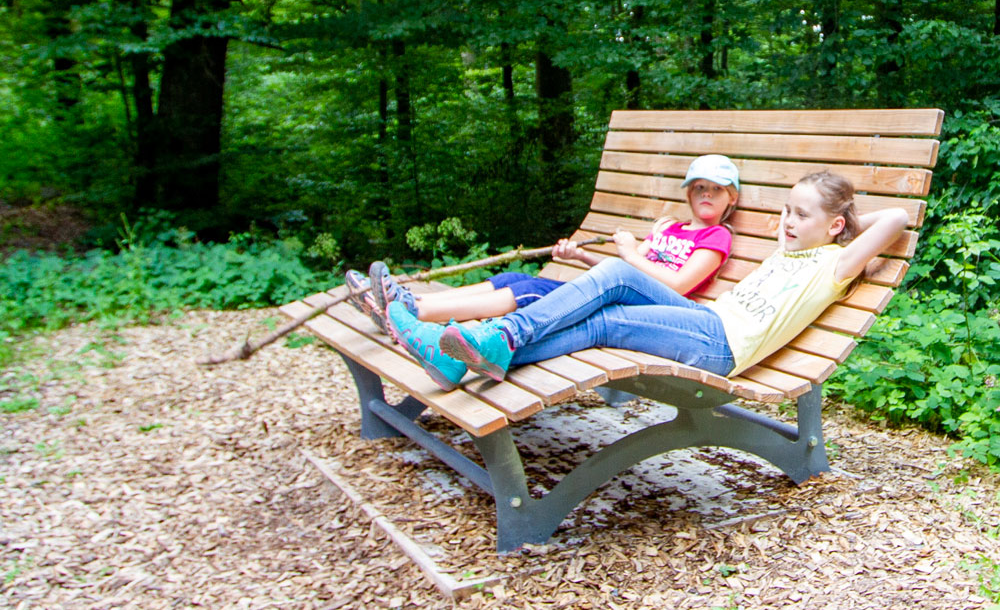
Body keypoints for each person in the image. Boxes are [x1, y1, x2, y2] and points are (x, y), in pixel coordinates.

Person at [385, 170, 909, 391]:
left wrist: (848, 232)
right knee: (615, 271)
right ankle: (491, 344)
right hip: (705, 319)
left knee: (604, 323)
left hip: (721, 344)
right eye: (785, 211)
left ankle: (486, 344)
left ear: (836, 226)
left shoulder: (831, 265)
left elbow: (896, 218)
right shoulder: (787, 249)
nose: (786, 222)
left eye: (800, 215)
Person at [346, 154, 740, 332]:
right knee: (518, 280)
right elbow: (623, 273)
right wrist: (583, 255)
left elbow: (676, 285)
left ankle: (411, 314)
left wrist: (627, 253)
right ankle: (408, 303)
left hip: (648, 314)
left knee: (533, 292)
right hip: (615, 293)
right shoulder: (668, 228)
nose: (706, 195)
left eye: (716, 190)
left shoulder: (716, 236)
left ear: (731, 199)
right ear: (688, 193)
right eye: (699, 188)